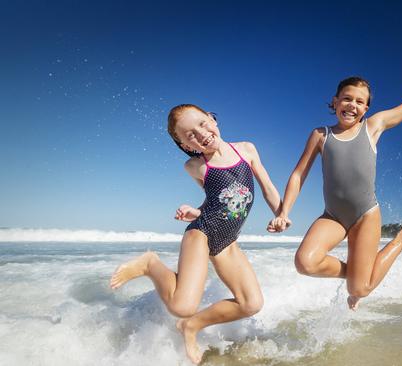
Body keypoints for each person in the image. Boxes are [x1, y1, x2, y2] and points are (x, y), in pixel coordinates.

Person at [270, 67, 402, 310]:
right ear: (335, 102)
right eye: (346, 98)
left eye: (359, 102)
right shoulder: (320, 135)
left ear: (366, 109)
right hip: (333, 216)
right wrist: (284, 212)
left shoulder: (372, 127)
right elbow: (298, 174)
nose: (352, 105)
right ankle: (358, 274)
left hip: (365, 215)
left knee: (360, 290)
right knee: (305, 263)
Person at [110, 104, 283, 364]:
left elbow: (267, 187)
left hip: (227, 242)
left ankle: (190, 326)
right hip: (201, 234)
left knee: (250, 304)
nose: (201, 134)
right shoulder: (196, 166)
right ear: (185, 144)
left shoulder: (246, 149)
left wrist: (281, 213)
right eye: (190, 135)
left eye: (202, 123)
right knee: (182, 306)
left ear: (213, 119)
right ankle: (150, 263)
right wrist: (197, 214)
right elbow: (213, 200)